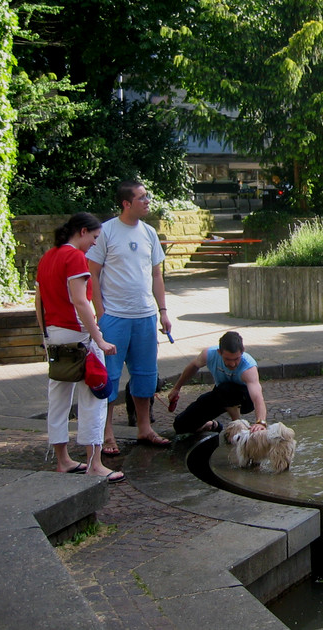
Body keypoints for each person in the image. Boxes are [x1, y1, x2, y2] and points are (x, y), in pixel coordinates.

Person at [36, 213, 124, 482]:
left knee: (58, 399)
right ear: (83, 231)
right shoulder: (74, 257)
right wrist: (98, 338)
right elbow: (80, 301)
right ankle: (94, 463)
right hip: (79, 337)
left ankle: (62, 460)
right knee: (94, 397)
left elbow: (38, 301)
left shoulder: (47, 256)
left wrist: (45, 336)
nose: (94, 244)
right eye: (94, 238)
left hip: (55, 335)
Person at [87, 180, 174, 454]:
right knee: (110, 378)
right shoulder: (107, 232)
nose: (148, 201)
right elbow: (93, 274)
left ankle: (144, 428)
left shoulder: (149, 232)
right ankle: (107, 432)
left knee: (146, 376)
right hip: (115, 317)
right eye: (142, 197)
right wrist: (101, 314)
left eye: (147, 196)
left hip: (145, 316)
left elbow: (156, 274)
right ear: (126, 203)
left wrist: (163, 311)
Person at [168, 331, 268, 434]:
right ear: (219, 352)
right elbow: (193, 366)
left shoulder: (248, 367)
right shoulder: (209, 354)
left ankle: (238, 426)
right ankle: (212, 425)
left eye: (236, 359)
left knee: (226, 389)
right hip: (221, 394)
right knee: (180, 425)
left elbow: (257, 397)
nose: (232, 364)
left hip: (245, 400)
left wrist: (261, 422)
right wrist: (176, 388)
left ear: (242, 352)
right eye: (227, 359)